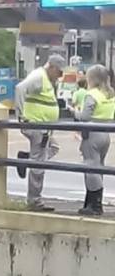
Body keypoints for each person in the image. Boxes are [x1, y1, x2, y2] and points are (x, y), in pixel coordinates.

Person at [15, 54, 66, 212]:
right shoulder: (38, 77)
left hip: (43, 126)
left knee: (53, 148)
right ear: (51, 67)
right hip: (36, 125)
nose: (60, 76)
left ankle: (26, 160)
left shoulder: (47, 79)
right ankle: (34, 201)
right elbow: (20, 88)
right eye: (59, 72)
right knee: (39, 164)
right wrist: (21, 115)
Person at [73, 64, 114, 216]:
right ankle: (93, 201)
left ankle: (94, 204)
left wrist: (74, 112)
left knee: (90, 166)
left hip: (92, 134)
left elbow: (84, 117)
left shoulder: (92, 95)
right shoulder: (109, 94)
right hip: (106, 133)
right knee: (99, 167)